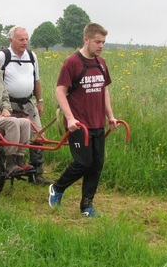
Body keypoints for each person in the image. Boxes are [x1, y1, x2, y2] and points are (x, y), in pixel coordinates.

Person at [48, 23, 119, 217]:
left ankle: (86, 205)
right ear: (86, 40)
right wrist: (70, 118)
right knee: (83, 163)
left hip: (97, 123)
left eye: (103, 42)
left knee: (97, 165)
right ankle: (57, 188)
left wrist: (110, 116)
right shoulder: (72, 62)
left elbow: (104, 90)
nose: (101, 46)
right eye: (97, 41)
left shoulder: (101, 63)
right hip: (78, 125)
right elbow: (60, 91)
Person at [0, 26, 49, 184]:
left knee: (38, 135)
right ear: (11, 40)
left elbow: (36, 80)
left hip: (28, 103)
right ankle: (6, 164)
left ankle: (36, 172)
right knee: (7, 136)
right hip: (8, 104)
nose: (25, 42)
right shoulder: (2, 56)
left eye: (26, 39)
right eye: (21, 39)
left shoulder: (32, 56)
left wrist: (39, 101)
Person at [0, 55, 32, 177]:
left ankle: (19, 159)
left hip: (0, 116)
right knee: (13, 121)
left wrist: (6, 108)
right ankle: (10, 162)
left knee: (25, 122)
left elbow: (5, 98)